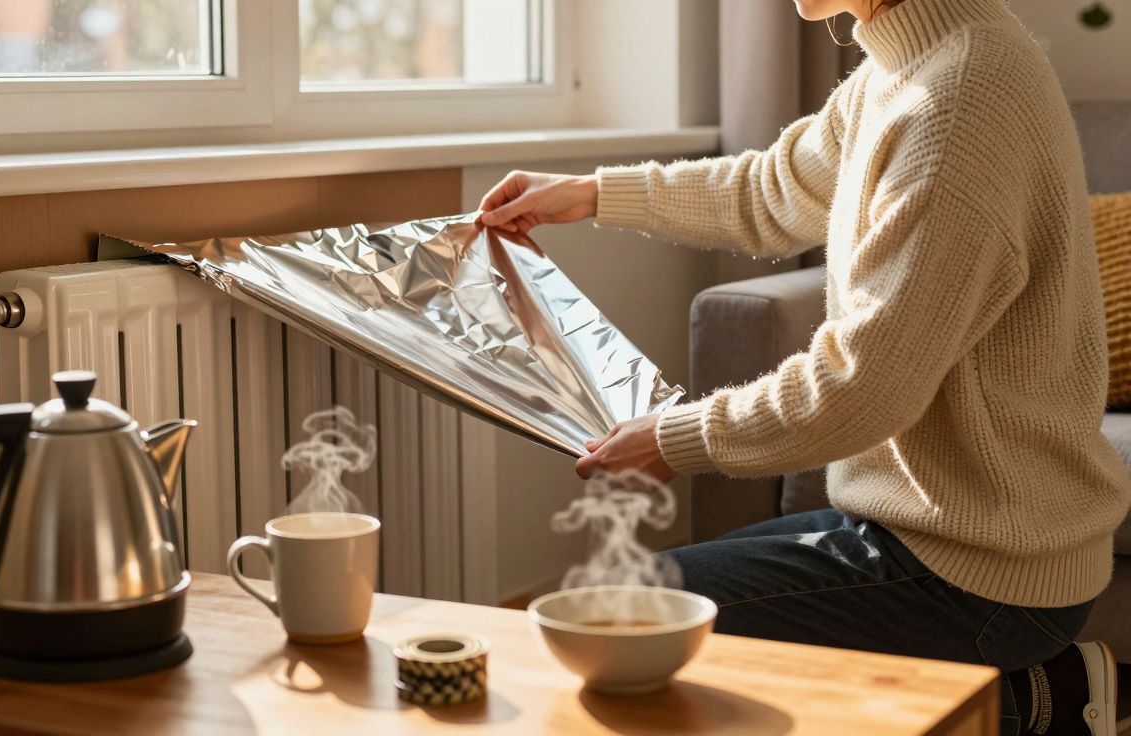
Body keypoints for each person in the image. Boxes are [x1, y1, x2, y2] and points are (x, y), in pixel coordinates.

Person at [479, 0, 1131, 734]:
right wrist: (591, 193)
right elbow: (774, 192)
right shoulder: (912, 61)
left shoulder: (960, 101)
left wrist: (672, 439)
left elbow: (862, 387)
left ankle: (1029, 706)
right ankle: (1047, 694)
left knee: (628, 624)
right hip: (930, 533)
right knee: (631, 598)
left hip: (983, 572)